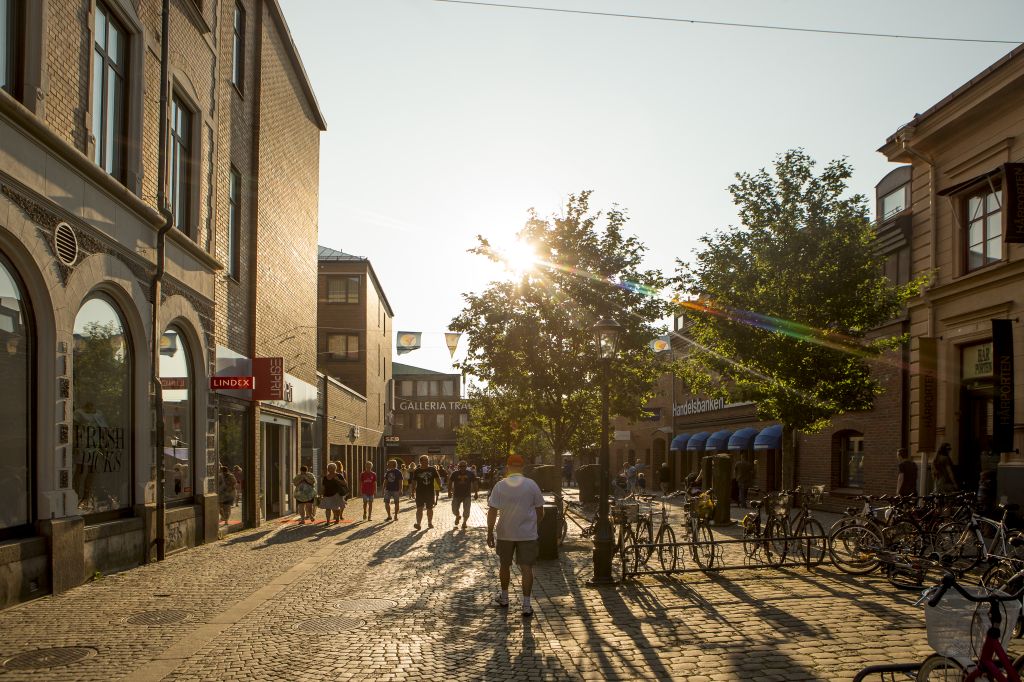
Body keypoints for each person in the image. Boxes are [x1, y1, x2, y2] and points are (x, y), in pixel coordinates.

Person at [487, 454, 544, 618]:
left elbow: (492, 511)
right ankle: (526, 605)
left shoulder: (500, 485)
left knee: (504, 566)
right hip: (527, 534)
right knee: (527, 569)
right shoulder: (532, 484)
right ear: (522, 467)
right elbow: (540, 510)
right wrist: (533, 525)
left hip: (505, 533)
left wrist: (490, 532)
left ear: (508, 467)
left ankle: (505, 597)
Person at [413, 455, 441, 530]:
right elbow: (414, 481)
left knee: (429, 508)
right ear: (420, 461)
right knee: (419, 508)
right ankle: (418, 523)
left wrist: (439, 486)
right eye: (423, 460)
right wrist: (413, 491)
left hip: (430, 492)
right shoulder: (417, 471)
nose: (425, 462)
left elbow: (437, 478)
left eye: (426, 460)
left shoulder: (432, 469)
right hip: (419, 492)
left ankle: (430, 522)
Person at [449, 460, 477, 529]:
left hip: (467, 495)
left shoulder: (470, 474)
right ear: (458, 467)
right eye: (461, 466)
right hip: (456, 495)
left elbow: (475, 483)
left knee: (466, 510)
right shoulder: (454, 473)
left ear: (466, 466)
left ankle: (464, 522)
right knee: (454, 509)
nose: (462, 468)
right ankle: (457, 516)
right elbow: (450, 482)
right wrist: (449, 491)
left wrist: (476, 493)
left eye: (464, 466)